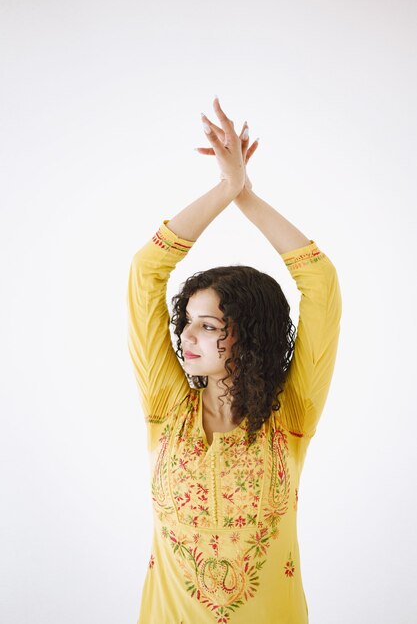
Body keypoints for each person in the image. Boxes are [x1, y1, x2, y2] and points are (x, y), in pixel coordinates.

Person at [127, 97, 342, 623]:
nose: (187, 337)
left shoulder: (290, 416)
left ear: (249, 338)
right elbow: (146, 270)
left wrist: (248, 197)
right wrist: (226, 188)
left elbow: (320, 281)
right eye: (187, 322)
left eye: (209, 326)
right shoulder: (166, 404)